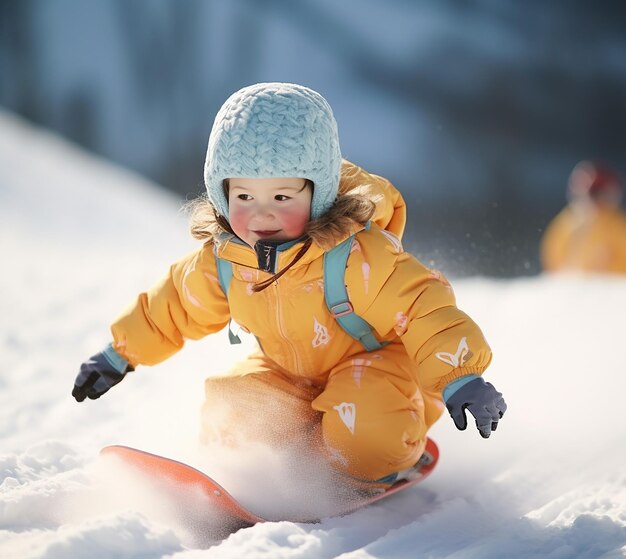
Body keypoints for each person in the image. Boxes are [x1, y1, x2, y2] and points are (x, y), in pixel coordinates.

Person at [72, 82, 506, 492]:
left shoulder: (354, 255)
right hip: (289, 372)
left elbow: (420, 305)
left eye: (281, 198)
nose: (262, 216)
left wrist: (460, 378)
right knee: (233, 424)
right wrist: (118, 353)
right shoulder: (226, 259)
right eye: (244, 198)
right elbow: (174, 305)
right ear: (222, 195)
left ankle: (381, 451)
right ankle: (295, 454)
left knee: (366, 433)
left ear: (317, 195)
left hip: (374, 365)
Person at [540, 161, 626, 274]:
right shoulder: (569, 222)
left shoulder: (617, 224)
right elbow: (552, 257)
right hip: (577, 285)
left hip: (610, 286)